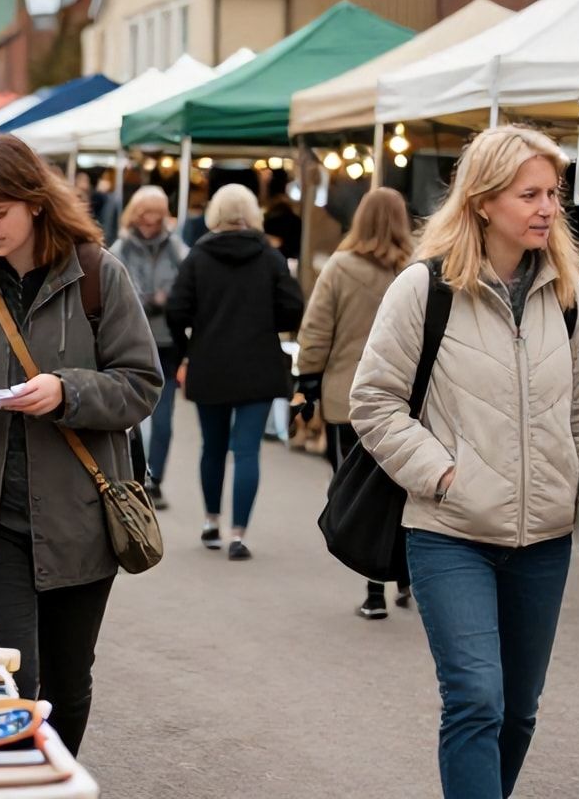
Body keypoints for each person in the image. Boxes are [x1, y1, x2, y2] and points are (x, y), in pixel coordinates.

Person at [351, 125, 579, 799]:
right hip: (449, 532)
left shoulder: (565, 297)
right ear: (481, 201)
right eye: (528, 194)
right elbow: (374, 401)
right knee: (477, 698)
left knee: (519, 711)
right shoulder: (425, 288)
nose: (545, 208)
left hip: (544, 541)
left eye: (552, 194)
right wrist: (444, 474)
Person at [0, 134, 159, 756]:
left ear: (35, 202)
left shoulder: (98, 274)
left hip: (80, 517)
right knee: (8, 681)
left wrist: (66, 391)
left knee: (68, 684)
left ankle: (55, 781)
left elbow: (141, 384)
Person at [166, 184, 303, 560]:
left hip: (210, 362)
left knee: (212, 448)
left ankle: (211, 521)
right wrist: (264, 322)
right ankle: (238, 534)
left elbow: (176, 309)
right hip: (258, 363)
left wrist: (187, 348)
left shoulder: (198, 256)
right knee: (247, 451)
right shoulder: (270, 256)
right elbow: (293, 309)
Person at [295, 186, 414, 619]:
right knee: (401, 489)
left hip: (347, 397)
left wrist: (305, 383)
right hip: (404, 398)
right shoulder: (415, 269)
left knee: (359, 492)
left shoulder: (340, 267)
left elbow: (316, 330)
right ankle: (403, 578)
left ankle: (374, 591)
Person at [110, 186, 188, 509]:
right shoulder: (121, 248)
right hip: (130, 341)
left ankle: (155, 478)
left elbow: (184, 285)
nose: (150, 222)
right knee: (130, 415)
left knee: (164, 419)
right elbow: (117, 288)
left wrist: (163, 299)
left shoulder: (176, 248)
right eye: (145, 215)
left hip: (167, 343)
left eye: (156, 216)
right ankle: (133, 477)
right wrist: (149, 299)